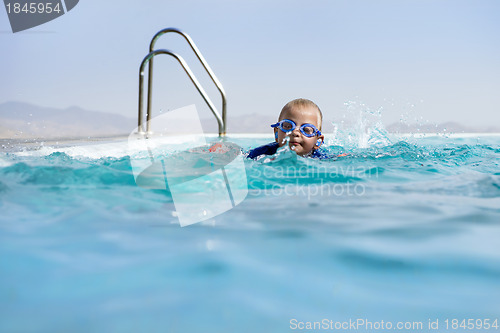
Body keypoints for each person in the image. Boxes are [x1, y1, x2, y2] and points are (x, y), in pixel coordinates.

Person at [247, 98, 326, 159]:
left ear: (318, 141)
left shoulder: (322, 159)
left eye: (306, 129)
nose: (295, 133)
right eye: (288, 126)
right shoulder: (262, 154)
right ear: (277, 134)